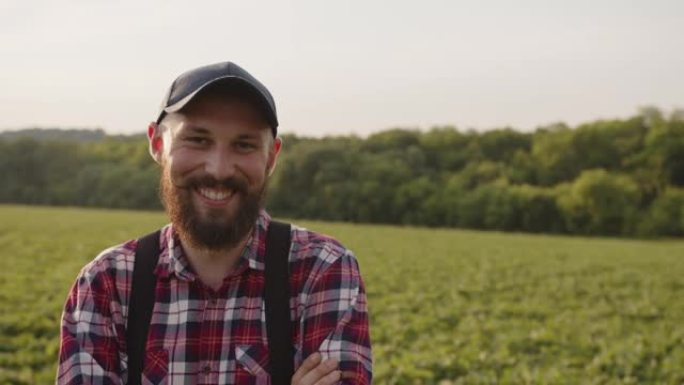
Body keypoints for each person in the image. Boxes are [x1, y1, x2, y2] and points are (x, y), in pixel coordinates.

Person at [56, 61, 372, 385]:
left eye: (244, 145)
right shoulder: (106, 284)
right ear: (157, 143)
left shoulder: (321, 270)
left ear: (271, 157)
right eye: (198, 140)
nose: (219, 169)